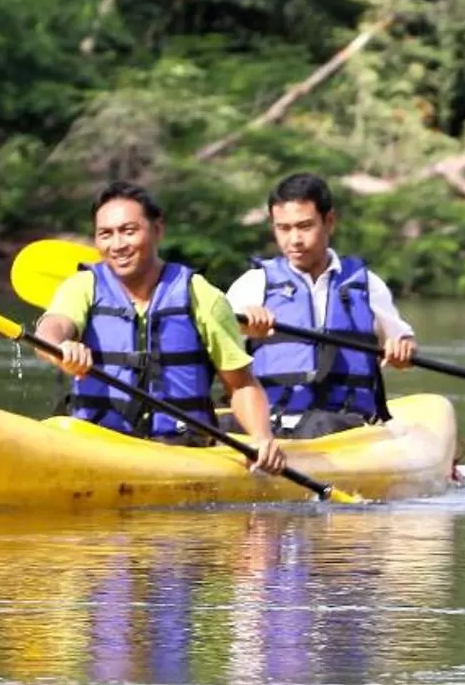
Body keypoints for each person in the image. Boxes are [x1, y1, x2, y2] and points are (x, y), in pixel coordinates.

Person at [33, 182, 285, 474]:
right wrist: (60, 347)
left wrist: (262, 438)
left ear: (157, 230)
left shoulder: (201, 295)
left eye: (129, 231)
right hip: (97, 445)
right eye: (106, 234)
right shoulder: (82, 286)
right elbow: (52, 328)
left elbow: (240, 384)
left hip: (181, 450)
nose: (117, 245)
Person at [226, 173, 418, 438]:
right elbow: (213, 349)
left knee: (321, 425)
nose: (294, 240)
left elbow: (403, 350)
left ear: (329, 222)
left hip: (345, 428)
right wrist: (242, 325)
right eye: (283, 228)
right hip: (272, 424)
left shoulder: (365, 284)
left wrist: (402, 349)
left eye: (305, 226)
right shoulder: (253, 284)